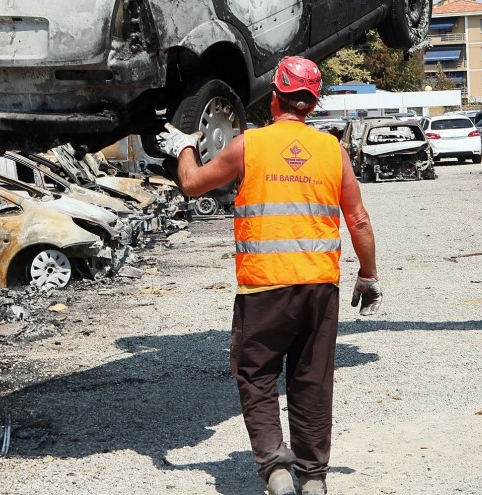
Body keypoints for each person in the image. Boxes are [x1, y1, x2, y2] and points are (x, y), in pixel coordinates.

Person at [156, 56, 381, 495]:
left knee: (256, 375)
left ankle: (277, 469)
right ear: (311, 105)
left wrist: (184, 144)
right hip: (319, 287)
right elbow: (359, 220)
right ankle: (313, 477)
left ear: (275, 98)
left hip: (263, 287)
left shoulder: (248, 145)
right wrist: (368, 275)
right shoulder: (331, 150)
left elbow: (192, 184)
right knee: (311, 380)